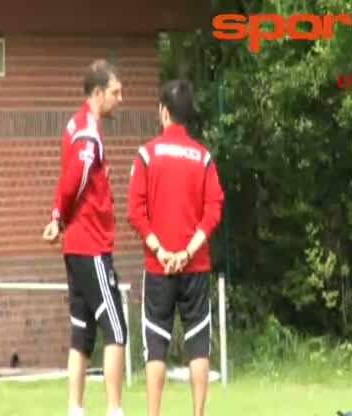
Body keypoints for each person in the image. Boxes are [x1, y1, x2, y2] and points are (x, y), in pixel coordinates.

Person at [127, 79, 225, 416]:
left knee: (156, 347)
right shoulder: (203, 157)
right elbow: (214, 209)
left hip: (158, 268)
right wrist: (187, 252)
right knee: (198, 345)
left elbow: (135, 211)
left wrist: (162, 251)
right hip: (195, 266)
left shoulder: (147, 155)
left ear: (164, 112)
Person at [43, 59, 126, 416]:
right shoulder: (89, 135)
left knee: (81, 332)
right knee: (116, 329)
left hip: (76, 247)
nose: (120, 99)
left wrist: (58, 217)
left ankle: (75, 409)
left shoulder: (74, 124)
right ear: (98, 93)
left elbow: (72, 179)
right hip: (91, 244)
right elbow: (74, 180)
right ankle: (114, 410)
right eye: (116, 92)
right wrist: (59, 217)